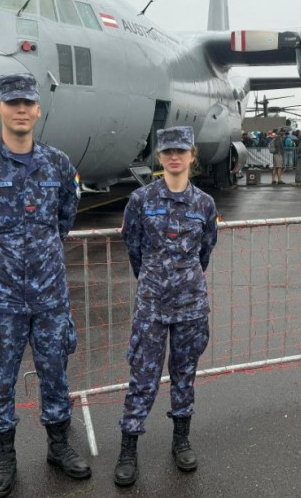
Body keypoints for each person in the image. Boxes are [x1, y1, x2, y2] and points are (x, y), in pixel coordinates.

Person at [0, 73, 90, 498]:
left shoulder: (59, 165)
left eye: (28, 102)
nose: (21, 109)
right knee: (0, 379)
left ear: (38, 109)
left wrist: (38, 256)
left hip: (49, 297)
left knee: (55, 374)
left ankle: (59, 447)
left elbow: (65, 218)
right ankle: (5, 457)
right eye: (13, 103)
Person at [114, 125, 218, 487]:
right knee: (142, 376)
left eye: (181, 151)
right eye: (168, 151)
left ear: (192, 155)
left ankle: (181, 439)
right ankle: (129, 448)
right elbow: (134, 250)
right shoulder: (140, 201)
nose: (175, 157)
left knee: (184, 374)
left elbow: (205, 251)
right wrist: (155, 280)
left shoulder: (204, 204)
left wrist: (181, 280)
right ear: (159, 157)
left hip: (191, 306)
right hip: (152, 307)